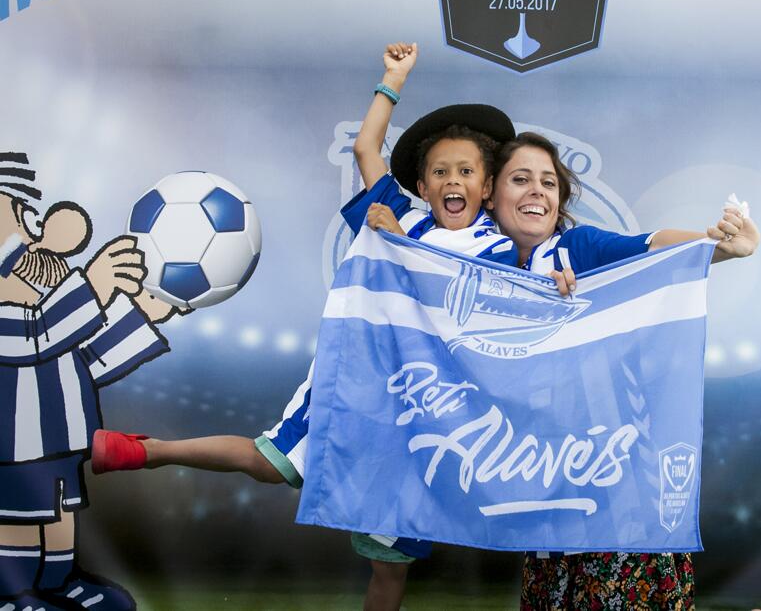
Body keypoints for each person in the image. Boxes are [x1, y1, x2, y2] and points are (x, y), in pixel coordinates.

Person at [90, 43, 522, 611]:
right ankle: (150, 451)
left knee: (390, 571)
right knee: (274, 463)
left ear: (487, 187)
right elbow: (368, 147)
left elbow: (470, 315)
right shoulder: (407, 214)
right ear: (422, 185)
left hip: (426, 412)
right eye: (439, 170)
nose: (452, 180)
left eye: (465, 170)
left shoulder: (497, 246)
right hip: (361, 386)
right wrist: (392, 80)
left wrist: (394, 243)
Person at [483, 132, 760, 610]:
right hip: (547, 496)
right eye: (521, 179)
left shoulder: (577, 250)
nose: (537, 191)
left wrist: (715, 247)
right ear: (490, 192)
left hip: (617, 487)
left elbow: (651, 245)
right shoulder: (475, 271)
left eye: (548, 182)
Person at [0, 151, 180, 611]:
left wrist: (147, 311)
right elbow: (34, 335)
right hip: (11, 445)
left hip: (55, 441)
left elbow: (88, 357)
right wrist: (95, 285)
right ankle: (12, 594)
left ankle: (58, 584)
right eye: (12, 219)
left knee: (59, 513)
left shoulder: (47, 304)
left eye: (24, 219)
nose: (28, 238)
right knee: (19, 516)